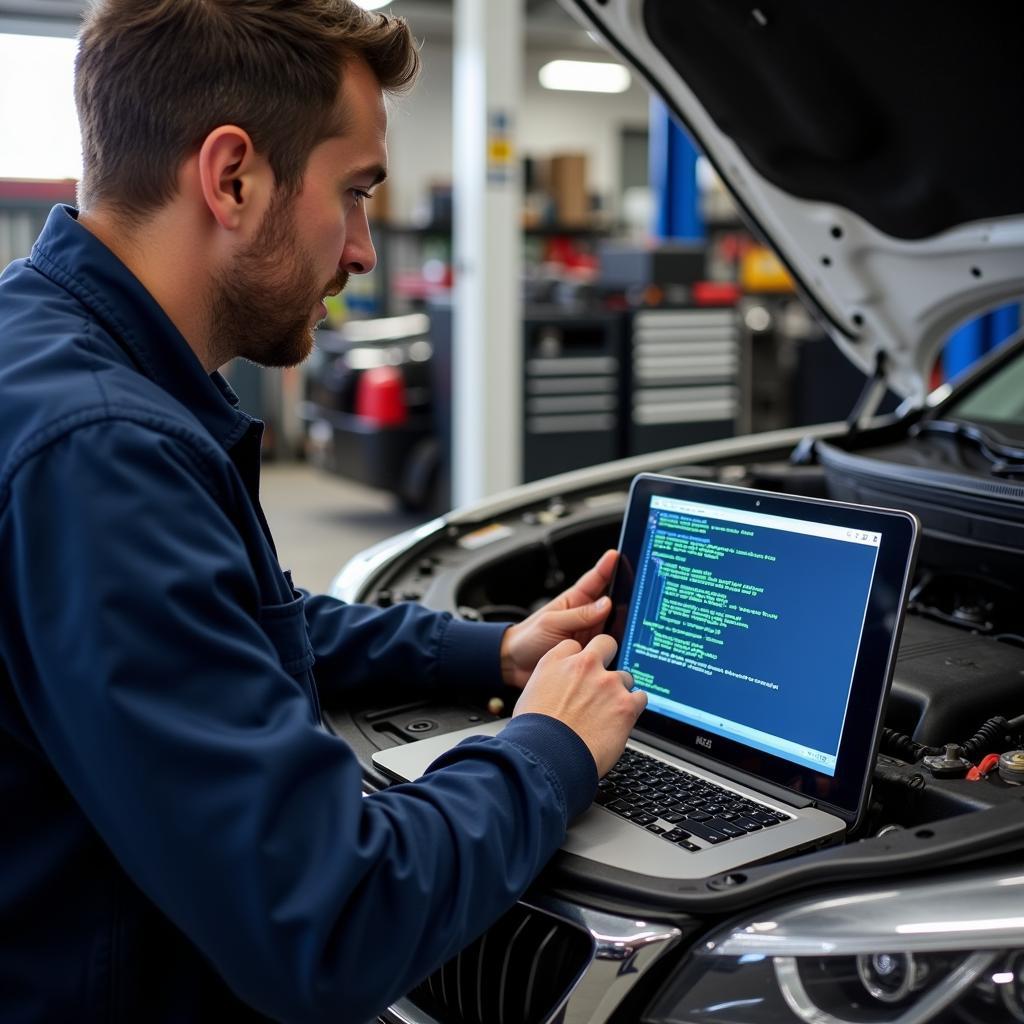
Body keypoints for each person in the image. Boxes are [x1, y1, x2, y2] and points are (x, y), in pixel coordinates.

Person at [0, 1, 647, 1021]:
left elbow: (239, 621)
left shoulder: (47, 348)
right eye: (353, 195)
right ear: (233, 178)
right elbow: (330, 922)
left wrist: (492, 652)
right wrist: (548, 746)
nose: (359, 252)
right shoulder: (105, 450)